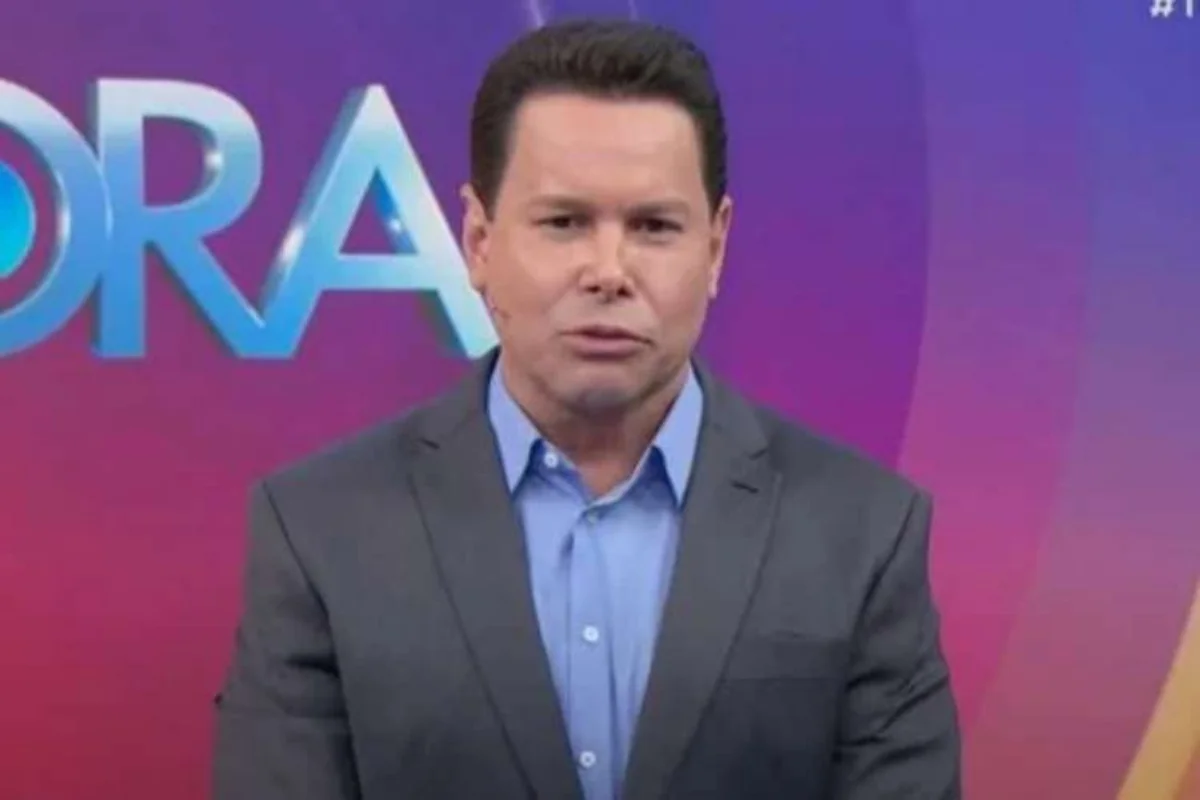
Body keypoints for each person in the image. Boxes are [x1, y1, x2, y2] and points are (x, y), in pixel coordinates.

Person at [212, 19, 961, 800]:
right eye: (564, 222)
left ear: (714, 248)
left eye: (653, 227)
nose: (609, 270)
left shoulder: (864, 532)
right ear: (478, 240)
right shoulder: (320, 530)